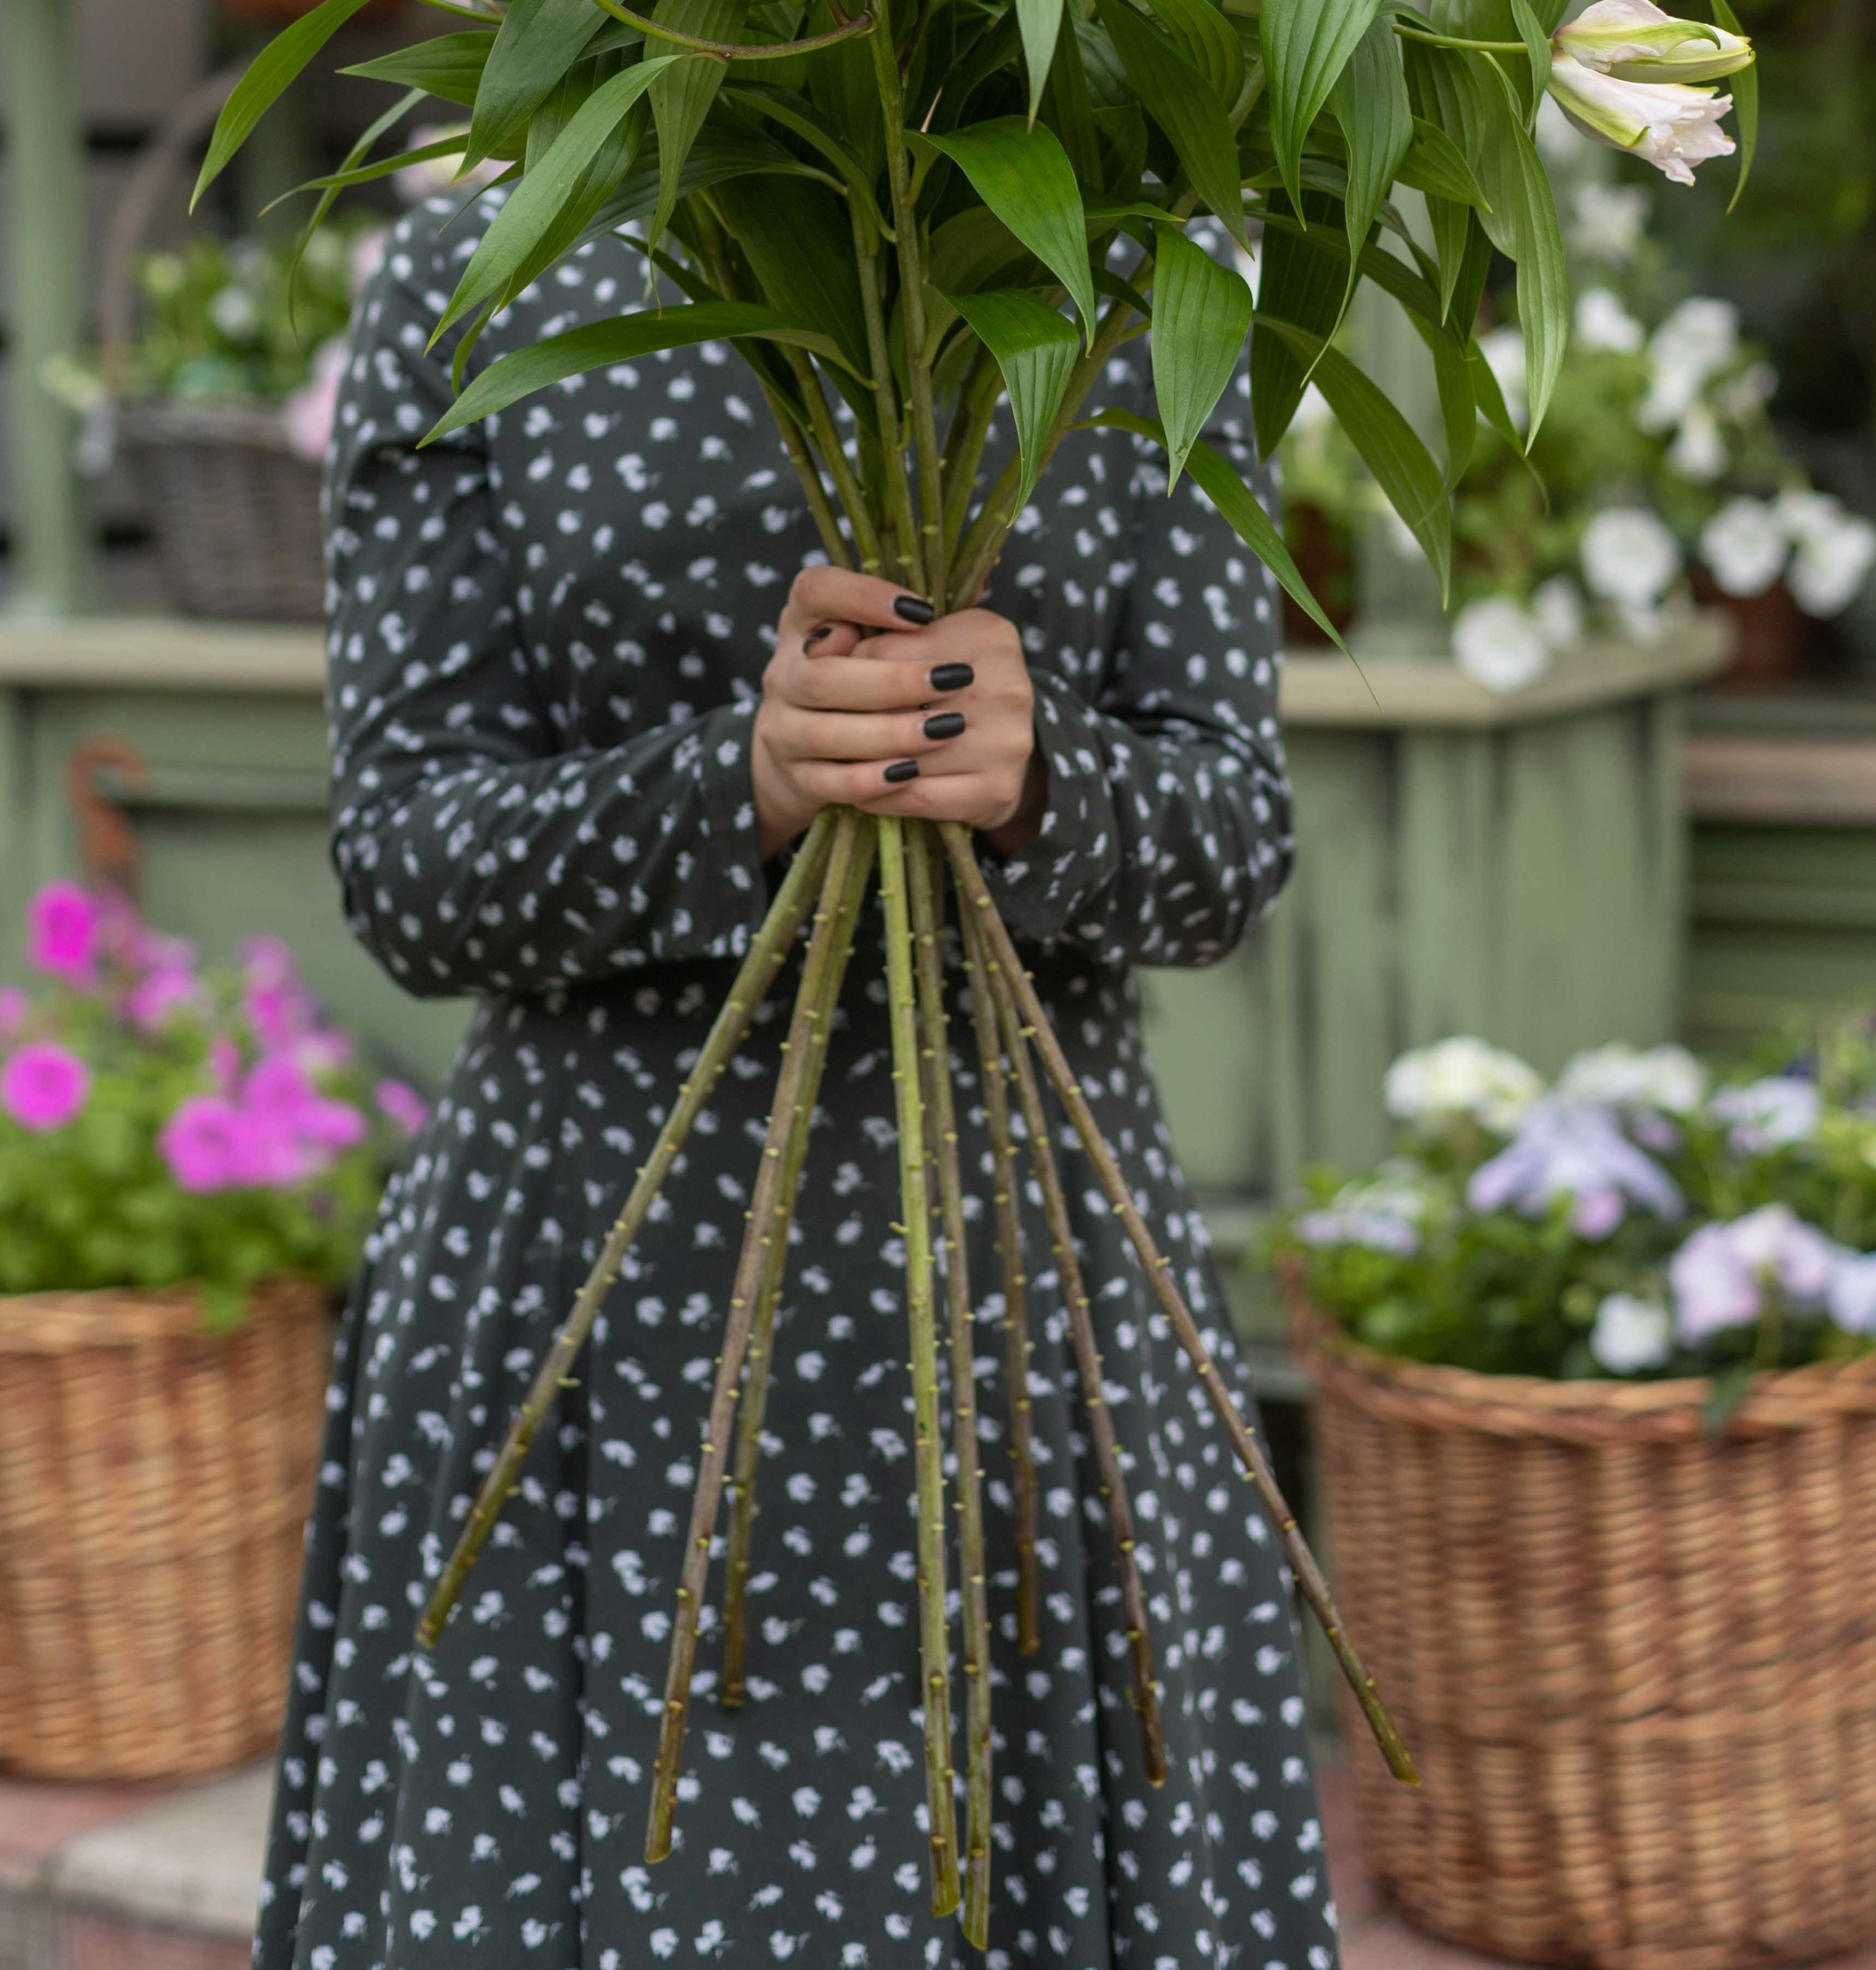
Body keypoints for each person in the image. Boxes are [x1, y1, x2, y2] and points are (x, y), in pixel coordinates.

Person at [255, 203, 1337, 1970]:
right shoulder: (492, 265)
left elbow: (1228, 842)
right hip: (596, 1312)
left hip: (1022, 1299)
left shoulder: (1138, 262)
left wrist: (1039, 771)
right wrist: (734, 787)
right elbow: (406, 864)